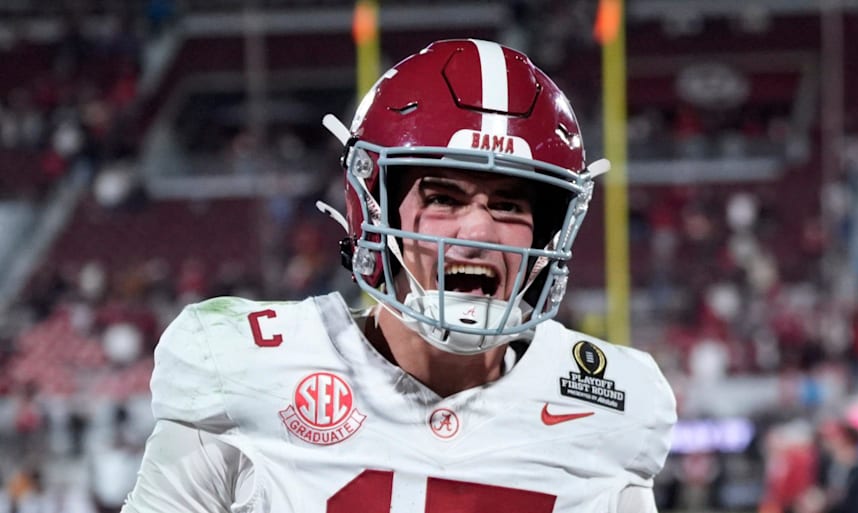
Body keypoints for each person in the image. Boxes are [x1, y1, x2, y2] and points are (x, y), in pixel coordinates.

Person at [121, 39, 677, 513]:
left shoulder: (609, 408)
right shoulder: (247, 368)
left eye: (510, 206)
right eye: (443, 197)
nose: (478, 231)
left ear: (548, 236)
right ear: (376, 214)